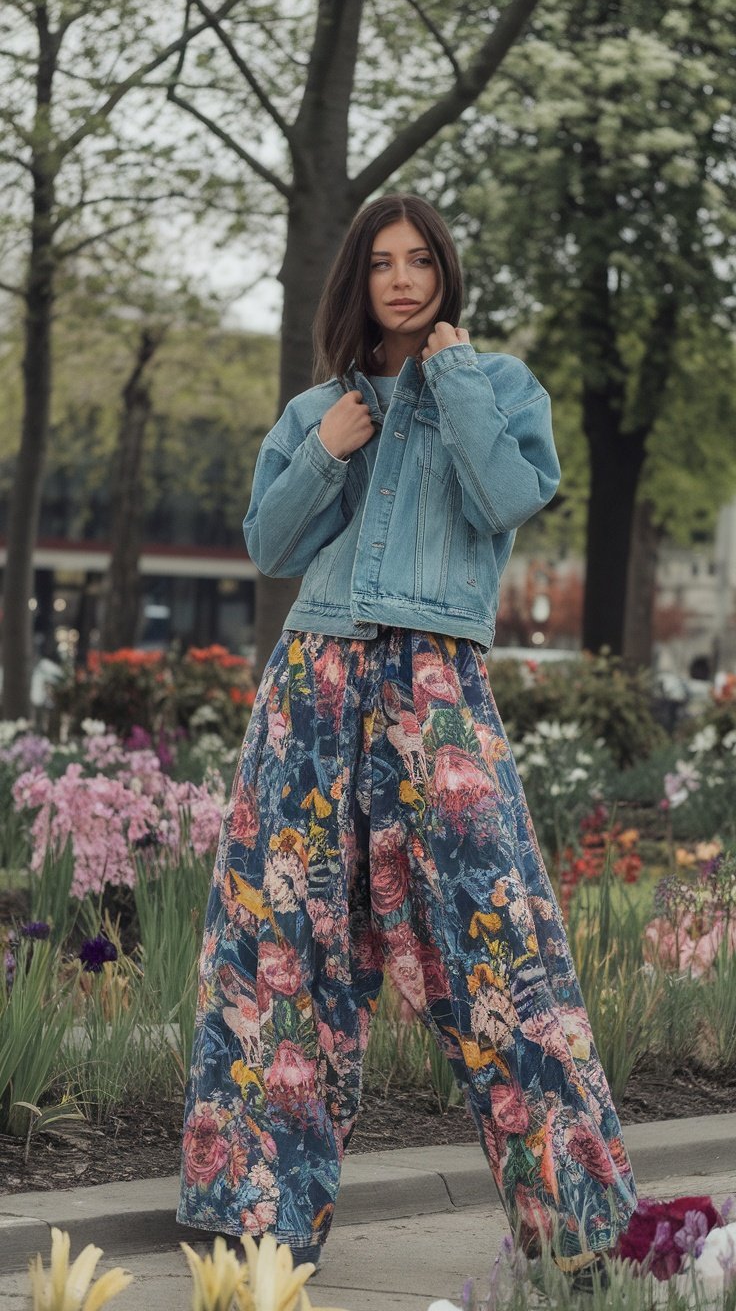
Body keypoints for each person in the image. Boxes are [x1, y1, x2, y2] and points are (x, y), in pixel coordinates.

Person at [177, 194, 637, 1277]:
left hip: (435, 688)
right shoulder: (317, 408)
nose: (399, 277)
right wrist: (326, 450)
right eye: (379, 261)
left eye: (418, 258)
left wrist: (458, 380)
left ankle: (582, 1230)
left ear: (444, 271)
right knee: (280, 944)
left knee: (498, 939)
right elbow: (269, 545)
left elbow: (509, 497)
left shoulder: (498, 385)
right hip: (313, 680)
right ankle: (258, 1229)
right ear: (356, 279)